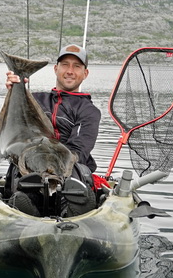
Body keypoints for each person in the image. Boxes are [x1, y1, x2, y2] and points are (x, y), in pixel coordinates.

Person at [5, 43, 102, 217]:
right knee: (18, 166)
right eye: (65, 65)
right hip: (33, 165)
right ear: (56, 69)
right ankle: (25, 203)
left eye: (77, 66)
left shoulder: (89, 111)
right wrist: (14, 89)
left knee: (78, 166)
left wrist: (54, 169)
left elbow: (80, 148)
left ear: (85, 73)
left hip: (68, 171)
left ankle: (71, 208)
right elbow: (17, 130)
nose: (70, 71)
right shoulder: (35, 99)